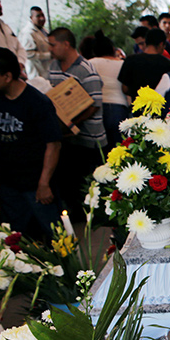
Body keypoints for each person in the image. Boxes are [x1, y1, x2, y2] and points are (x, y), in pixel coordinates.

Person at [0, 47, 62, 238]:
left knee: (55, 235)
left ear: (8, 76)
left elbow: (54, 144)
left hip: (35, 182)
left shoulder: (37, 103)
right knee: (16, 236)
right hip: (9, 182)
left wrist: (44, 183)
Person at [47, 27, 107, 214]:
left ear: (66, 44)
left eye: (52, 45)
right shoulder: (53, 67)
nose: (49, 49)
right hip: (67, 138)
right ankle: (76, 215)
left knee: (92, 185)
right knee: (71, 181)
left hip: (90, 138)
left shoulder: (86, 69)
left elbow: (94, 104)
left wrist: (71, 123)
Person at [88, 31, 130, 152]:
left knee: (102, 152)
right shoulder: (123, 63)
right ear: (112, 48)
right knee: (121, 151)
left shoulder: (90, 63)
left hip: (97, 110)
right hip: (119, 109)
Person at [118, 28, 170, 100]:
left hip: (137, 106)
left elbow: (125, 89)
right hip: (158, 107)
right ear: (161, 44)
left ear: (146, 42)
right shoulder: (168, 64)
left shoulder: (130, 60)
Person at [19, 6, 51, 80]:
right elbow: (28, 53)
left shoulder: (43, 30)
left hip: (47, 71)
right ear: (31, 18)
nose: (42, 18)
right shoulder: (28, 33)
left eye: (42, 15)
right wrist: (48, 55)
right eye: (38, 16)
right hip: (37, 74)